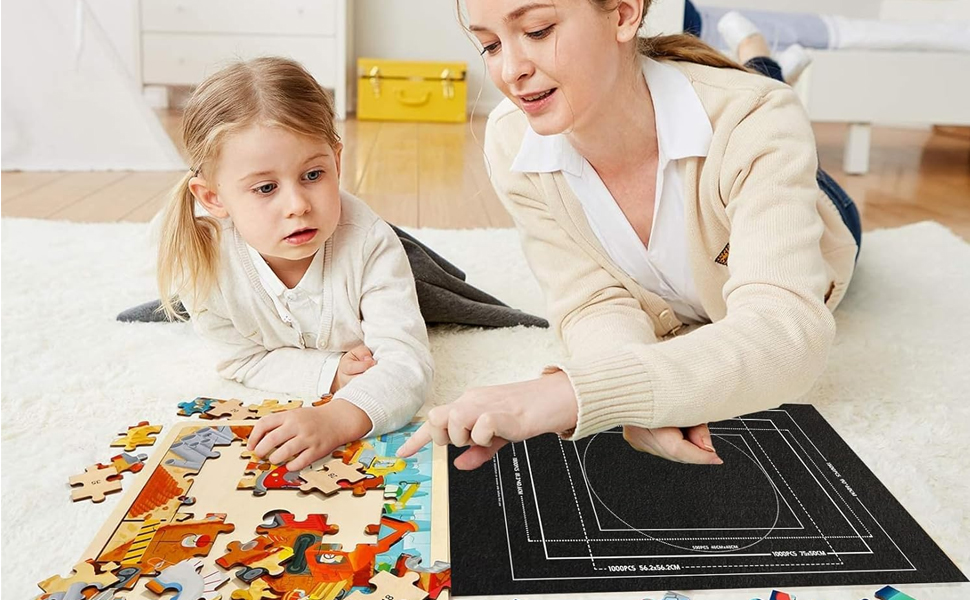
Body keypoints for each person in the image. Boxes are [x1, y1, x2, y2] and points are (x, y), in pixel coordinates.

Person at [398, 0, 861, 470]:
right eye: (491, 45)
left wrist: (570, 393)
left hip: (825, 205)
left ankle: (758, 54)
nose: (510, 71)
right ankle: (756, 56)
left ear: (623, 14)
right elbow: (591, 302)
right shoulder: (511, 139)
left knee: (769, 89)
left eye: (537, 31)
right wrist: (637, 399)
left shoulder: (755, 118)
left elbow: (787, 332)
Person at [156, 57, 437, 473]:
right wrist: (330, 372)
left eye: (313, 175)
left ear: (336, 163)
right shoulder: (205, 268)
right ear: (213, 198)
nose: (298, 205)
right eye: (266, 188)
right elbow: (241, 359)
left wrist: (337, 418)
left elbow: (407, 364)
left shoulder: (370, 244)